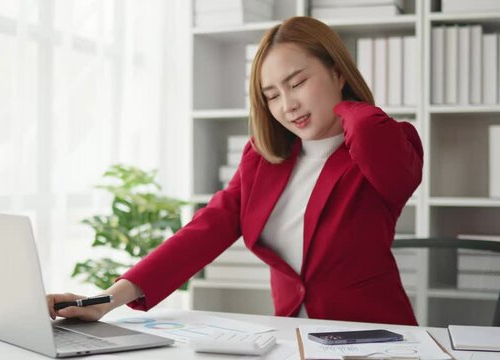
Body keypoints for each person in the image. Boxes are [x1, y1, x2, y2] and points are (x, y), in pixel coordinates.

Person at [47, 16, 423, 326]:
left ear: (338, 72)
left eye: (298, 83)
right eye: (272, 95)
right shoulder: (265, 158)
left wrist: (347, 104)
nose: (288, 105)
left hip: (377, 338)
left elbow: (371, 129)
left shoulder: (390, 145)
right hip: (293, 337)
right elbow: (205, 230)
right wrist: (106, 299)